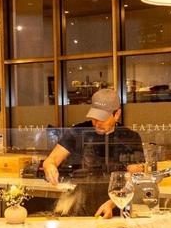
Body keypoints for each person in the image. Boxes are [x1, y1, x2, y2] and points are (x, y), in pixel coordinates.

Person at [42, 87, 143, 217]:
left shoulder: (130, 137)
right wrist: (50, 167)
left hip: (116, 209)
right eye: (94, 118)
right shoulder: (78, 132)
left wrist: (112, 203)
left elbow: (135, 179)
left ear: (117, 114)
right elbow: (51, 160)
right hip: (79, 206)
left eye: (102, 118)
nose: (97, 123)